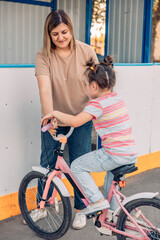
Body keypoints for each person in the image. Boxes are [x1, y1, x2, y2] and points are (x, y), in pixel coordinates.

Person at [41, 56, 137, 216]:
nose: (85, 88)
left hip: (114, 155)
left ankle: (97, 201)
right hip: (129, 153)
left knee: (77, 166)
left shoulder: (96, 104)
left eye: (85, 85)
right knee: (111, 189)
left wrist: (54, 113)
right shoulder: (117, 97)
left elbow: (75, 121)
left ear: (93, 86)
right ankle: (116, 217)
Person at [34, 9, 99, 229]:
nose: (60, 38)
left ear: (70, 29)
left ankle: (81, 209)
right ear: (49, 35)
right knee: (47, 165)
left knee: (78, 164)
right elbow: (44, 89)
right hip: (54, 118)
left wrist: (94, 112)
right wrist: (49, 117)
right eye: (55, 34)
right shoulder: (43, 55)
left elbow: (97, 85)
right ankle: (42, 207)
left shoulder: (86, 51)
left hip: (81, 118)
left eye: (64, 32)